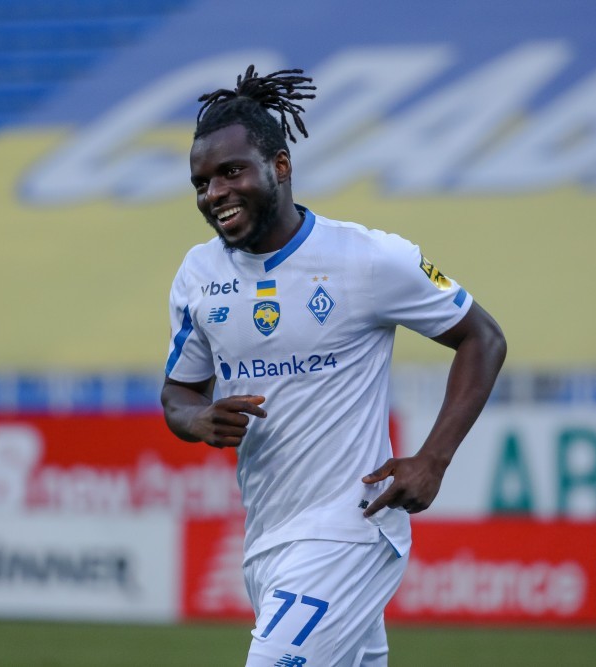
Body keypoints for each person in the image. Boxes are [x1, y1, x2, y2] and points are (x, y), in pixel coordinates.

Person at [161, 66, 506, 667]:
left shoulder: (368, 259)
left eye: (231, 172)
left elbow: (483, 337)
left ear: (280, 166)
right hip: (268, 540)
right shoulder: (198, 274)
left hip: (352, 529)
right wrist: (198, 419)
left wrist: (433, 459)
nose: (214, 193)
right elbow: (178, 393)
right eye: (202, 182)